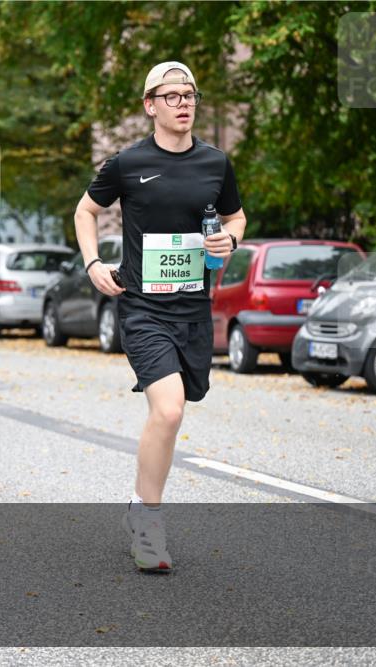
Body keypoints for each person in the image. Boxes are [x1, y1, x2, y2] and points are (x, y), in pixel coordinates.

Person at [74, 62, 246, 572]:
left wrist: (229, 239)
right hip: (143, 307)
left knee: (180, 406)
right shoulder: (127, 163)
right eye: (171, 96)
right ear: (150, 105)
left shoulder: (216, 163)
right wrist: (92, 264)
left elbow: (235, 215)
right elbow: (85, 211)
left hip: (194, 309)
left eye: (189, 94)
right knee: (168, 409)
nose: (183, 103)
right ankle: (149, 524)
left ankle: (137, 507)